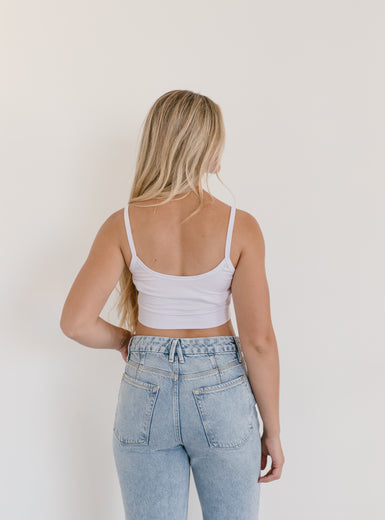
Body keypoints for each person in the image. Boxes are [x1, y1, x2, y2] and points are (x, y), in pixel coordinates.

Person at [60, 89, 284, 520]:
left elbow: (75, 322)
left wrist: (128, 340)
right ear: (207, 147)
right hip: (222, 390)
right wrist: (271, 430)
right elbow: (258, 341)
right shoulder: (240, 228)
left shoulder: (122, 224)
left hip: (146, 388)